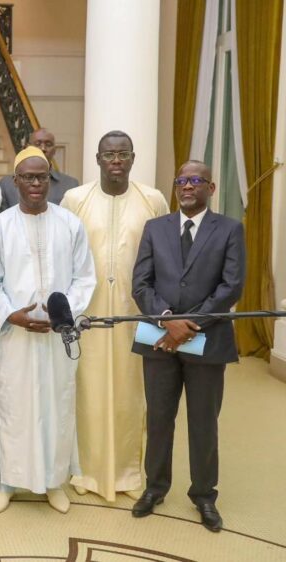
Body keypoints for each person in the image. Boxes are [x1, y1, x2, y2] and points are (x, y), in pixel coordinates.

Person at [130, 160, 245, 533]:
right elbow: (141, 284)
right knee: (159, 418)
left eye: (196, 180)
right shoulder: (155, 228)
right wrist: (167, 319)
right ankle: (155, 488)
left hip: (208, 342)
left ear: (211, 188)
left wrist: (188, 324)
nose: (187, 186)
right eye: (181, 180)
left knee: (203, 422)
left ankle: (204, 495)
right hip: (159, 341)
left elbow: (231, 287)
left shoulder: (229, 229)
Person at [0, 147, 96, 515]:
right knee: (13, 407)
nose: (35, 183)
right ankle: (7, 482)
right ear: (15, 182)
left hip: (57, 336)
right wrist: (10, 316)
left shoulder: (69, 223)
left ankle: (52, 481)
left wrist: (64, 315)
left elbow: (84, 278)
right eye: (28, 177)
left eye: (42, 177)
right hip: (15, 336)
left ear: (50, 180)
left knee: (57, 406)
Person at [60, 130, 169, 502]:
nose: (116, 161)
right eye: (109, 155)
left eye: (123, 154)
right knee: (87, 393)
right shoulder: (75, 198)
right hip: (86, 316)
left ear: (133, 158)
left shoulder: (152, 199)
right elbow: (64, 258)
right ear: (97, 159)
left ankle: (126, 472)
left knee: (132, 393)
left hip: (137, 316)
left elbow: (166, 260)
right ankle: (86, 471)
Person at [0, 128, 79, 211]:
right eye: (38, 144)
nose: (43, 148)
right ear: (26, 147)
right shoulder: (6, 184)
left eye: (48, 144)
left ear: (54, 150)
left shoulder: (70, 185)